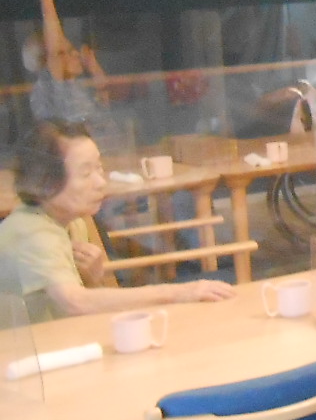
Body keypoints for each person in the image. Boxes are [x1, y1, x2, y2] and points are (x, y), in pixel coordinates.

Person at [0, 121, 235, 322]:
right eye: (85, 173)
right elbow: (75, 303)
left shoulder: (73, 221)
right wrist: (179, 293)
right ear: (45, 181)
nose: (100, 182)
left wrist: (91, 278)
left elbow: (79, 306)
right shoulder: (31, 232)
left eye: (99, 168)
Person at [26, 0, 113, 137]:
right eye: (66, 52)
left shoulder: (74, 87)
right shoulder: (50, 88)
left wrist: (96, 71)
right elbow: (53, 50)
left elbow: (102, 115)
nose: (76, 54)